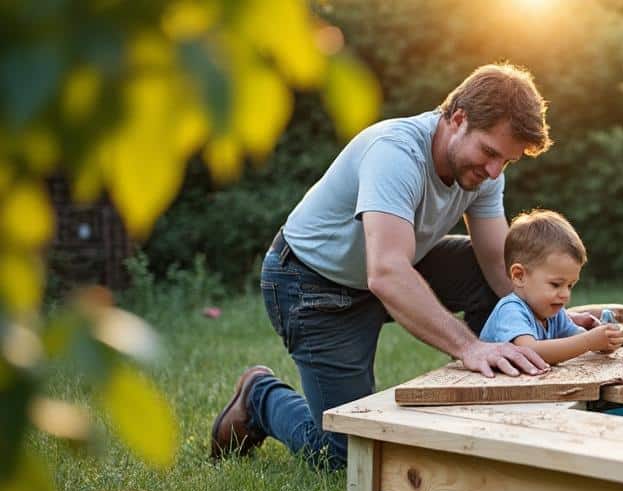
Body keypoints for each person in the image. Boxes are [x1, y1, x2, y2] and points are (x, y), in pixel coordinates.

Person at [210, 63, 592, 469]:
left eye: (507, 162)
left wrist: (554, 318)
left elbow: (502, 270)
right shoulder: (395, 153)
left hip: (392, 267)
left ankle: (494, 400)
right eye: (489, 152)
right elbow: (387, 273)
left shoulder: (484, 175)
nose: (495, 171)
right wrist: (469, 346)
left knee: (492, 268)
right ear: (457, 118)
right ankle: (259, 396)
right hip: (312, 283)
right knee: (344, 454)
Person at [479, 209, 623, 363]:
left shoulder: (553, 313)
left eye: (570, 286)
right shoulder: (510, 311)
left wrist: (603, 342)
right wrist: (588, 342)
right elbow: (530, 351)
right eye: (556, 284)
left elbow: (576, 339)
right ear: (519, 276)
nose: (565, 295)